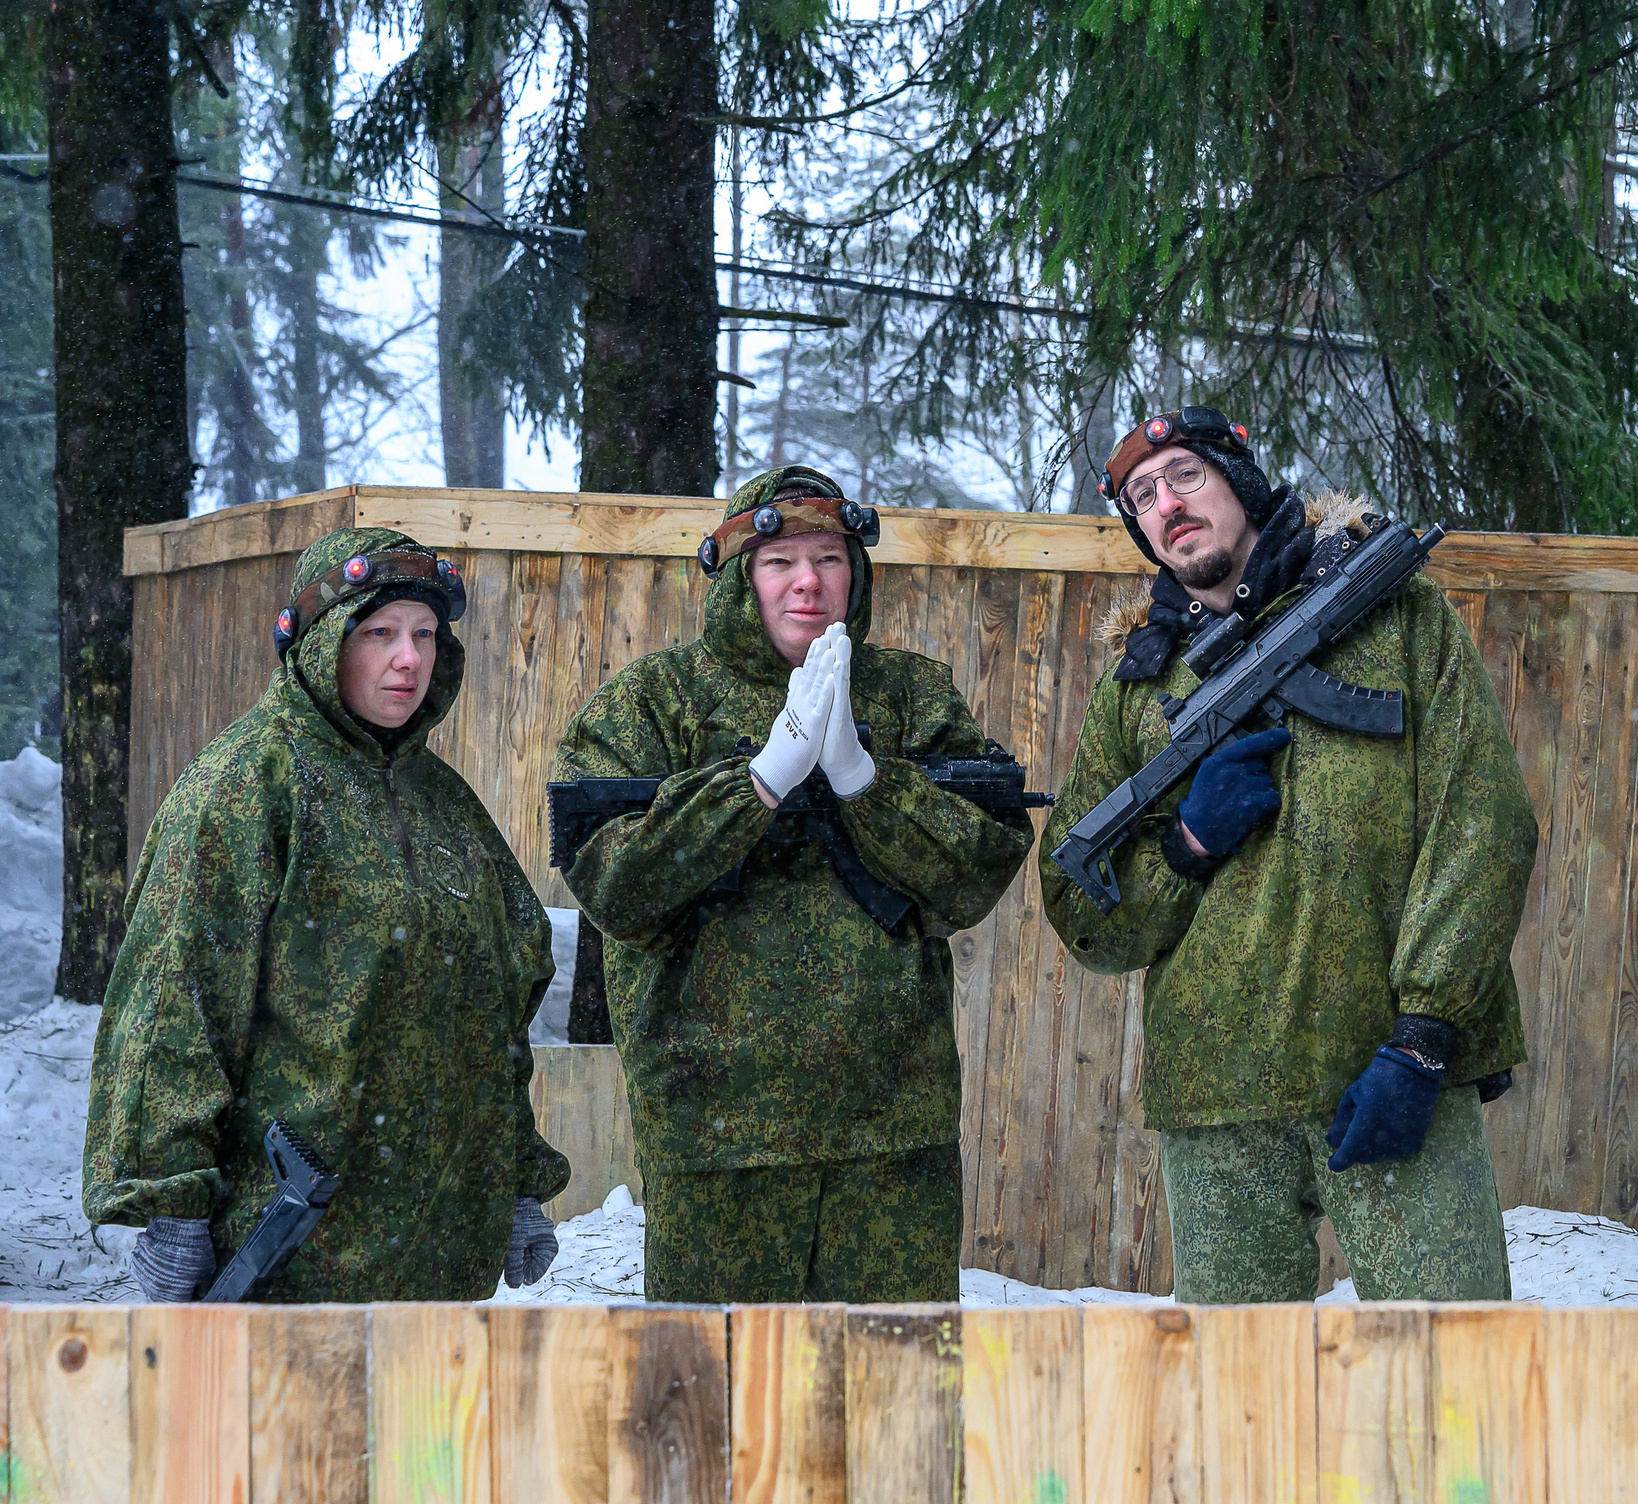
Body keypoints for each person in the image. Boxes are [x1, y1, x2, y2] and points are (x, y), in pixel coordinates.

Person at [1040, 405, 1540, 1304]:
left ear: (1240, 475)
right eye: (1143, 497)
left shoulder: (1395, 616)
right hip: (1217, 1103)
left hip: (1393, 1072)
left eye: (1186, 475)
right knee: (1237, 1406)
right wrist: (1186, 846)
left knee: (1455, 1384)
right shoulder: (1141, 686)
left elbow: (1484, 825)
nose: (1167, 504)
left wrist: (1424, 1038)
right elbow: (1080, 911)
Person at [553, 464, 1033, 1304]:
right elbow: (617, 885)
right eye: (781, 562)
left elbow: (977, 869)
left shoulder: (911, 695)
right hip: (715, 1135)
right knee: (726, 1397)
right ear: (742, 576)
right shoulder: (652, 703)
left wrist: (860, 775)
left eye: (831, 558)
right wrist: (761, 780)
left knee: (898, 1399)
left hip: (892, 1134)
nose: (808, 581)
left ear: (858, 573)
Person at [86, 527, 570, 1302]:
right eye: (377, 633)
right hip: (293, 1255)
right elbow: (175, 1002)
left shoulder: (449, 809)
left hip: (438, 1253)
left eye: (422, 634)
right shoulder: (247, 784)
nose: (408, 659)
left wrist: (514, 1179)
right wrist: (171, 1202)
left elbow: (495, 1016)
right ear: (320, 644)